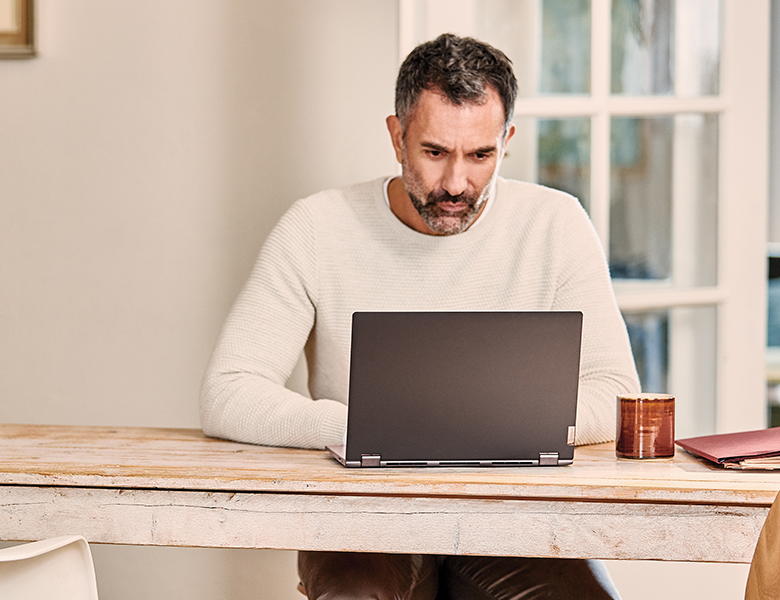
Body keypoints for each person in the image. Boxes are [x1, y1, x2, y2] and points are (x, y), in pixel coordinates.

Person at [199, 33, 640, 600]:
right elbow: (229, 391)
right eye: (434, 153)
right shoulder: (315, 228)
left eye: (481, 156)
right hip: (362, 516)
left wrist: (455, 428)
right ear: (396, 135)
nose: (456, 184)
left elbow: (615, 391)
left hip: (516, 519)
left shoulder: (556, 224)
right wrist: (365, 429)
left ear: (507, 140)